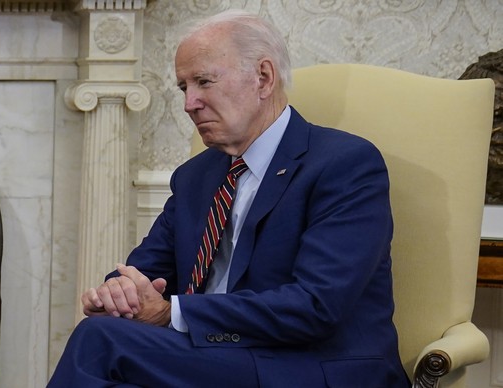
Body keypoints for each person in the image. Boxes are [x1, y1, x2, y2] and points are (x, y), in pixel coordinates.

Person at [48, 9, 410, 388]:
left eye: (204, 82)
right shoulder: (195, 177)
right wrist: (118, 294)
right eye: (184, 87)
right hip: (217, 357)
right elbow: (146, 272)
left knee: (99, 340)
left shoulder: (344, 164)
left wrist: (172, 312)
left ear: (263, 78)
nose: (190, 103)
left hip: (310, 365)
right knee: (103, 331)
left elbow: (316, 307)